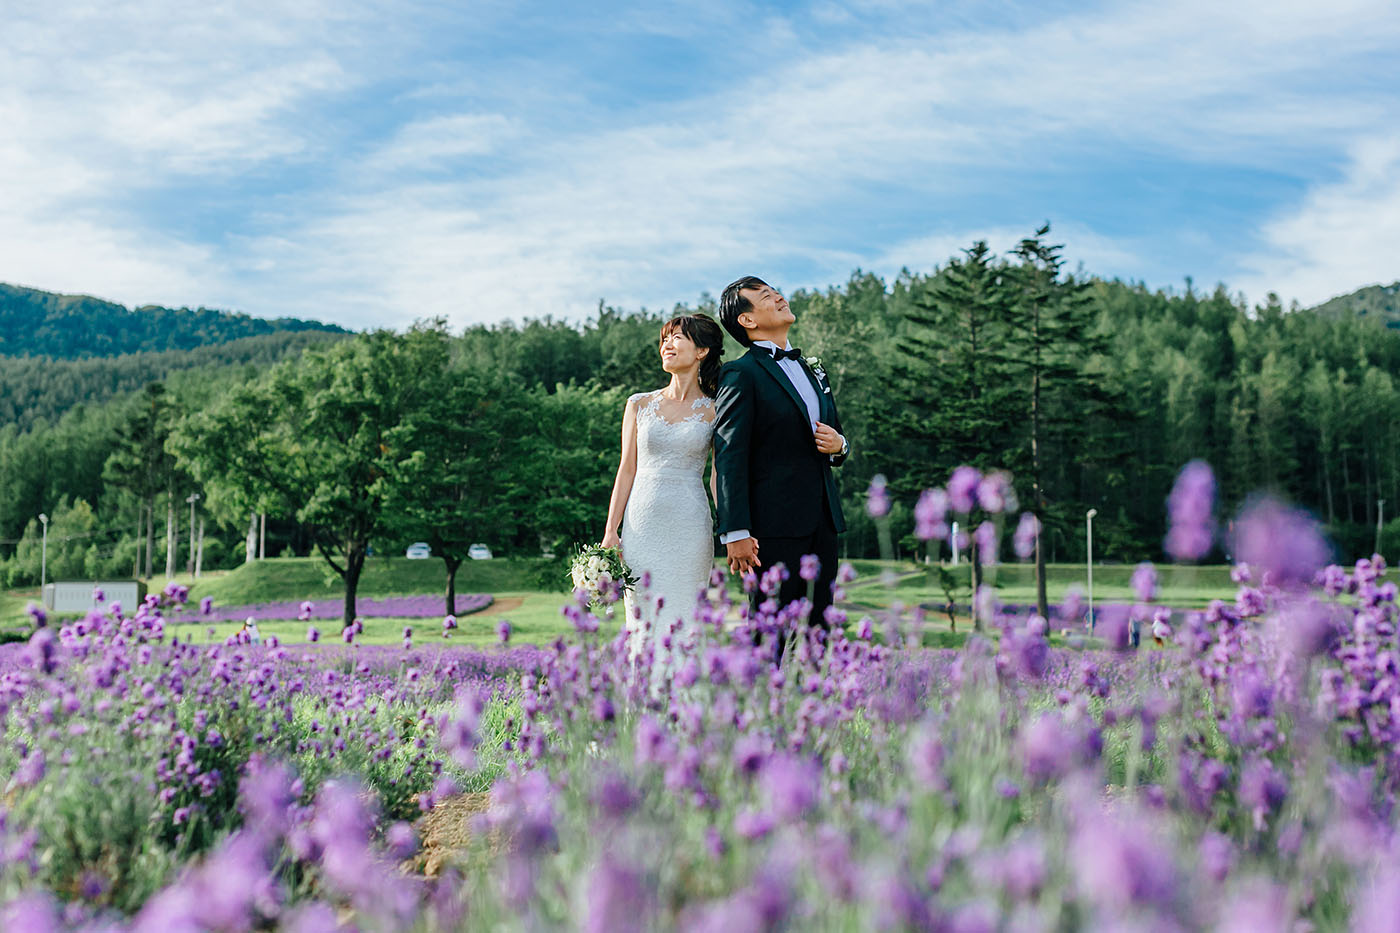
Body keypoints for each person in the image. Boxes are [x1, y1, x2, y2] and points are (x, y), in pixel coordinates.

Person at [714, 276, 849, 653]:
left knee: (820, 631)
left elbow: (835, 435)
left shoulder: (813, 369)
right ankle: (761, 693)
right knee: (769, 633)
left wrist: (840, 446)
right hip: (771, 529)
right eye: (766, 296)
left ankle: (817, 693)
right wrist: (735, 529)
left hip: (823, 522)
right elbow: (729, 454)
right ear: (747, 320)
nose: (779, 298)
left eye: (776, 292)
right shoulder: (741, 374)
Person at [601, 313, 725, 687]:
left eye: (677, 338)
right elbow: (626, 469)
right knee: (641, 623)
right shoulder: (638, 404)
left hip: (690, 527)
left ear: (702, 350)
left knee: (686, 620)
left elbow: (718, 476)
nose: (666, 345)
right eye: (664, 339)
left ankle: (687, 711)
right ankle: (640, 708)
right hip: (641, 528)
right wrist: (611, 531)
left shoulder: (716, 409)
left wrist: (732, 527)